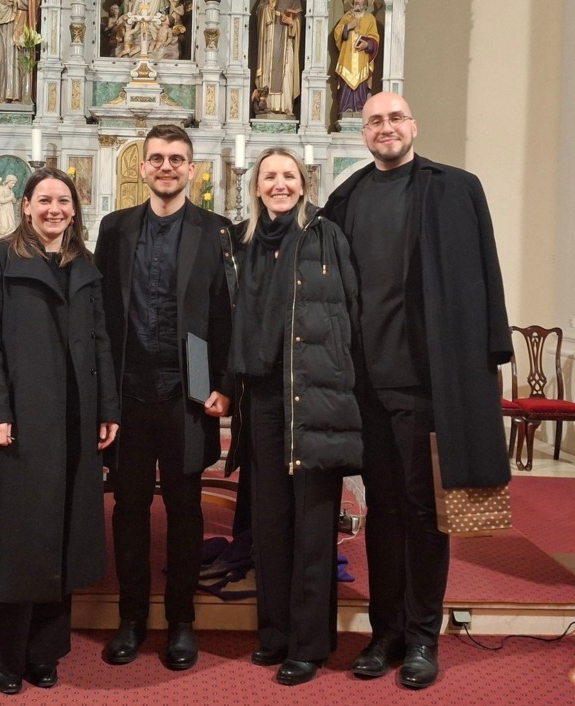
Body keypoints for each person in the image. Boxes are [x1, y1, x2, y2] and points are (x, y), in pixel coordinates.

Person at [323, 92, 512, 689]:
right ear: (363, 132)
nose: (385, 128)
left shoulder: (455, 188)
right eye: (374, 120)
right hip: (366, 384)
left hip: (433, 382)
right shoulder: (345, 198)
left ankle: (423, 636)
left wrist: (491, 357)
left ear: (413, 126)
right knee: (379, 511)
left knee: (426, 511)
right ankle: (386, 633)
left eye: (394, 118)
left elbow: (487, 269)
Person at [0, 168, 120, 695]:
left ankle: (47, 652)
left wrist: (107, 407)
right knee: (21, 541)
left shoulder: (84, 262)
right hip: (22, 418)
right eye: (43, 200)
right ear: (25, 206)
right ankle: (9, 654)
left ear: (74, 208)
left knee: (62, 537)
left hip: (73, 417)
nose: (54, 209)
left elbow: (100, 339)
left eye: (63, 201)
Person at [93, 124, 234, 671]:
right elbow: (103, 318)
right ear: (143, 168)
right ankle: (131, 619)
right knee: (128, 509)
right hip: (128, 399)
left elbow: (226, 315)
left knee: (184, 510)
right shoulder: (115, 228)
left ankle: (181, 622)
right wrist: (104, 396)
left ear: (192, 169)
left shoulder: (216, 231)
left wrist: (224, 384)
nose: (167, 167)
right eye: (157, 158)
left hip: (188, 396)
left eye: (177, 159)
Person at [226, 147, 361, 686]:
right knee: (270, 522)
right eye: (269, 178)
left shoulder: (325, 237)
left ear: (303, 184)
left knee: (312, 524)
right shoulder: (241, 243)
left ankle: (309, 644)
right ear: (256, 188)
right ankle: (275, 632)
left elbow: (349, 310)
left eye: (288, 176)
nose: (279, 185)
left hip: (313, 391)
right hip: (261, 397)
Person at [254, 0, 302, 117]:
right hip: (270, 42)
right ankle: (267, 105)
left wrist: (293, 23)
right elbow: (259, 14)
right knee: (268, 73)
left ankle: (285, 106)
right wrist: (269, 8)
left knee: (286, 73)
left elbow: (300, 19)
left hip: (286, 41)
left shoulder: (295, 1)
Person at [333, 0, 380, 117]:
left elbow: (375, 39)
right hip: (346, 59)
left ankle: (359, 109)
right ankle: (345, 109)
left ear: (365, 2)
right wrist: (348, 26)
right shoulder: (347, 17)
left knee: (360, 86)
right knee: (346, 85)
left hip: (362, 61)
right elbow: (337, 33)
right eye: (356, 0)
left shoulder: (370, 19)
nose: (358, 2)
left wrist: (367, 44)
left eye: (361, 0)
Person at [0, 0, 40, 103]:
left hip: (19, 21)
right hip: (0, 16)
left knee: (16, 58)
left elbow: (33, 3)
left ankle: (17, 96)